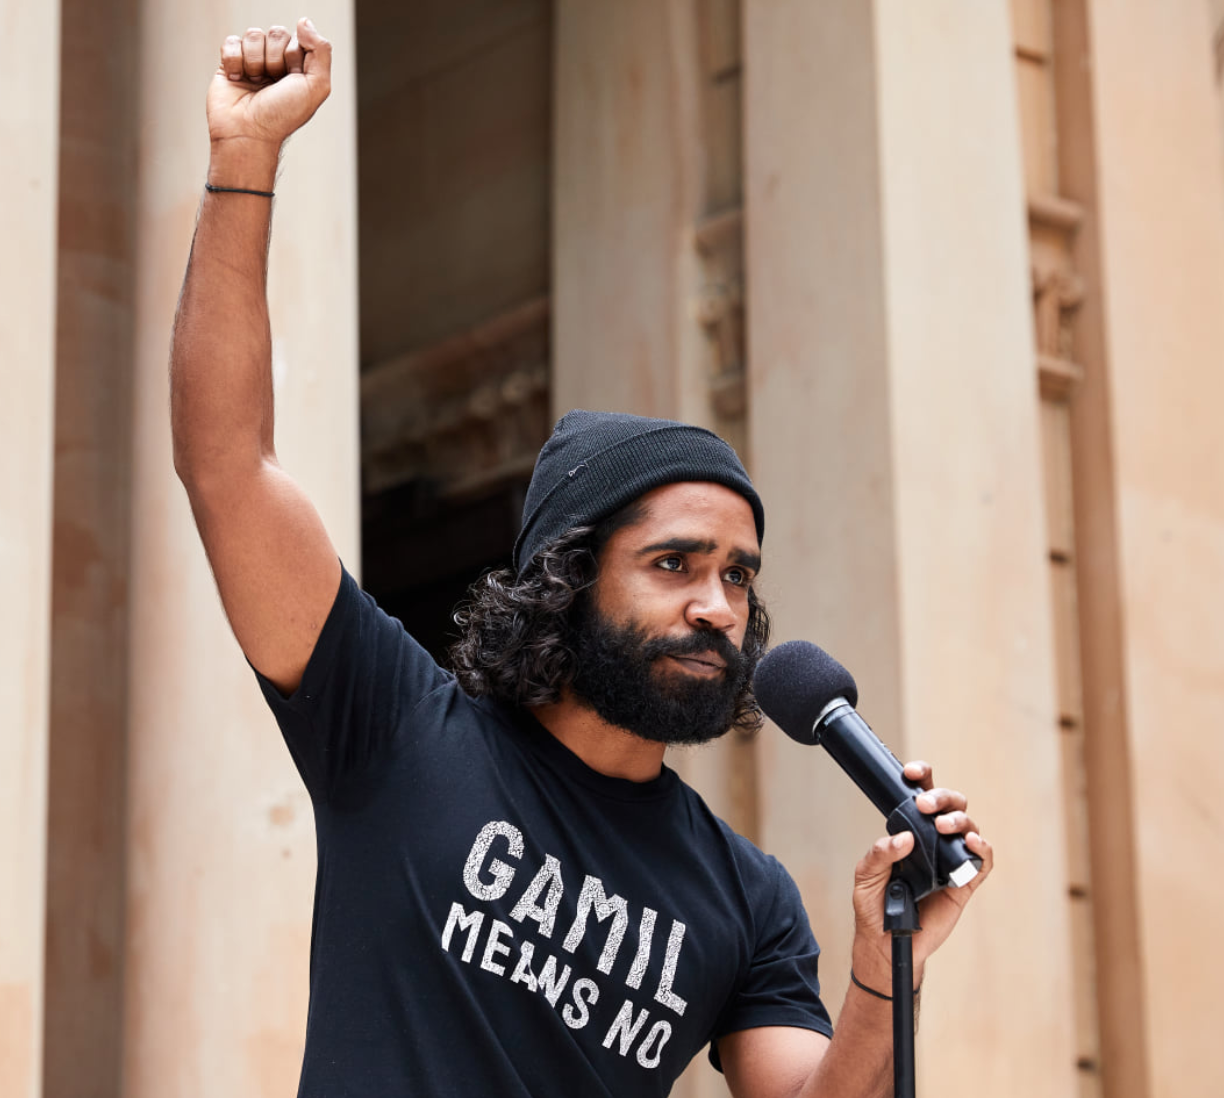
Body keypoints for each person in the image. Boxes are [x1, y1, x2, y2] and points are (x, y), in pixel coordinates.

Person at [171, 19, 996, 1097]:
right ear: (567, 578)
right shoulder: (392, 727)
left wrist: (888, 964)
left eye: (739, 576)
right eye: (676, 565)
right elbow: (230, 463)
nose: (720, 607)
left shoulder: (747, 899)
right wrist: (245, 163)